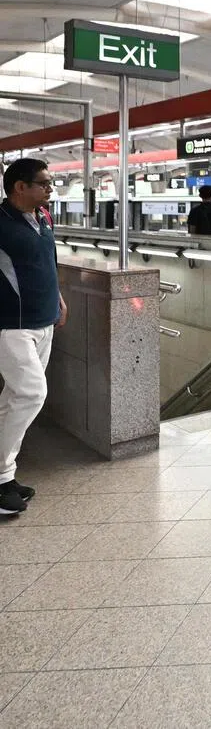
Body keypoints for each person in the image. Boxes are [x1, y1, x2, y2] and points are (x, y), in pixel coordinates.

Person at [0, 158, 68, 518]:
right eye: (44, 183)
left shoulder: (43, 218)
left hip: (44, 321)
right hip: (11, 325)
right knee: (31, 393)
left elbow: (48, 262)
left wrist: (58, 299)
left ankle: (5, 476)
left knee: (14, 397)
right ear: (19, 187)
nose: (50, 188)